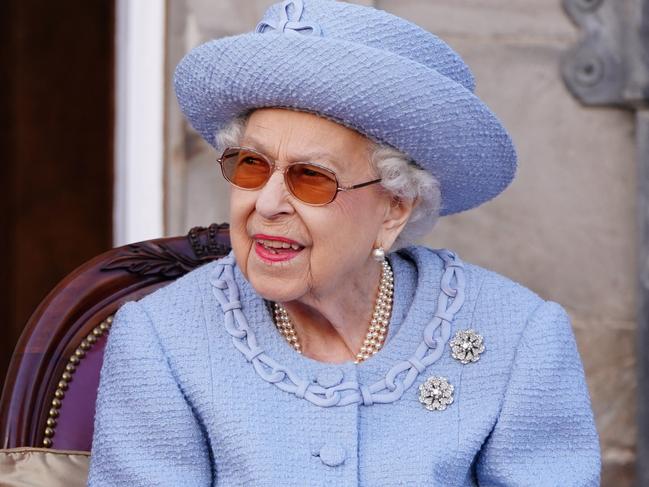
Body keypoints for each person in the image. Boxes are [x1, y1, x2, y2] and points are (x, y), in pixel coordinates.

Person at [87, 0, 601, 485]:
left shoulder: (520, 338)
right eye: (251, 165)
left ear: (394, 208)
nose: (266, 203)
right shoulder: (162, 340)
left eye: (311, 177)